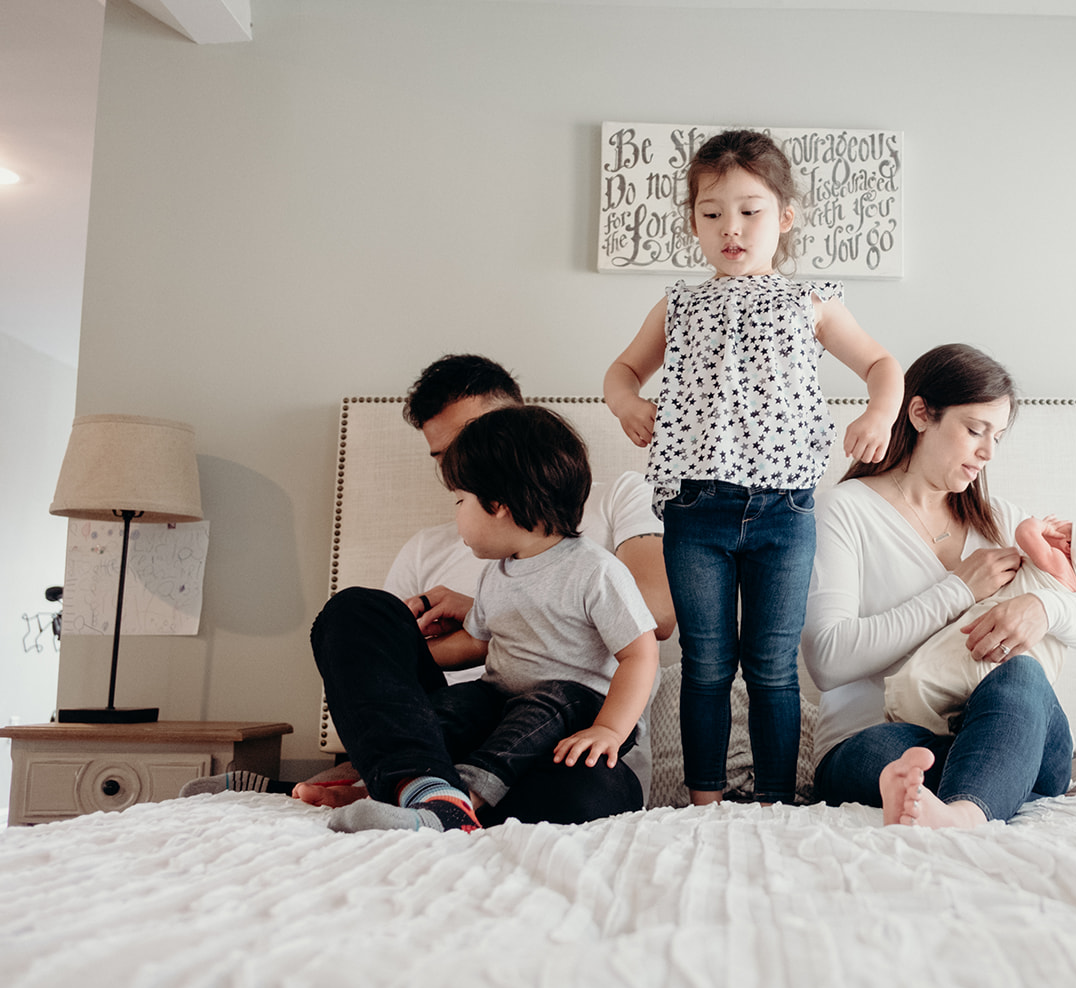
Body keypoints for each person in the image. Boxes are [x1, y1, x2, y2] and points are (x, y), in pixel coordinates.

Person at [183, 354, 673, 819]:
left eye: (474, 443)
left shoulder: (610, 510)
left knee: (580, 797)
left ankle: (376, 790)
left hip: (571, 740)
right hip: (456, 722)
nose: (457, 470)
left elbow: (656, 621)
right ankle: (422, 789)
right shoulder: (451, 552)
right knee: (354, 611)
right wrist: (398, 644)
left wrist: (493, 608)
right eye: (445, 458)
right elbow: (404, 676)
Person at [603, 129, 903, 807]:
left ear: (784, 218)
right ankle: (704, 801)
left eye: (750, 211)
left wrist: (878, 416)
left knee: (772, 666)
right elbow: (621, 370)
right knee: (706, 666)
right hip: (694, 510)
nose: (730, 228)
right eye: (711, 214)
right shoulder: (679, 303)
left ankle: (774, 801)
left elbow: (884, 365)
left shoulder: (813, 300)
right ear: (693, 223)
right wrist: (627, 400)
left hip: (783, 512)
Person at [800, 344, 1076, 829]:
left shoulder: (1001, 520)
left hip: (1009, 724)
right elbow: (828, 660)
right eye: (975, 430)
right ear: (920, 414)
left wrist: (1043, 608)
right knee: (905, 761)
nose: (988, 452)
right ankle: (1020, 795)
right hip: (875, 738)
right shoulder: (843, 510)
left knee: (1022, 675)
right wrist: (957, 589)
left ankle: (963, 813)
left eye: (998, 436)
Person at [324, 405, 659, 833]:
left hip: (581, 707)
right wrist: (401, 649)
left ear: (498, 504)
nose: (456, 514)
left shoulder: (595, 569)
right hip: (503, 699)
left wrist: (610, 729)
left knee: (546, 701)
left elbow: (641, 653)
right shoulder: (497, 573)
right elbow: (480, 643)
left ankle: (463, 802)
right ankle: (395, 787)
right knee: (451, 709)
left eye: (460, 500)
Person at [882, 516, 1076, 731]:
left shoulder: (1057, 564)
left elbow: (1025, 531)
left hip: (998, 661)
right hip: (1000, 680)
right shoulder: (1069, 579)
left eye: (1066, 527)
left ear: (1067, 546)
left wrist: (1039, 527)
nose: (1056, 522)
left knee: (921, 682)